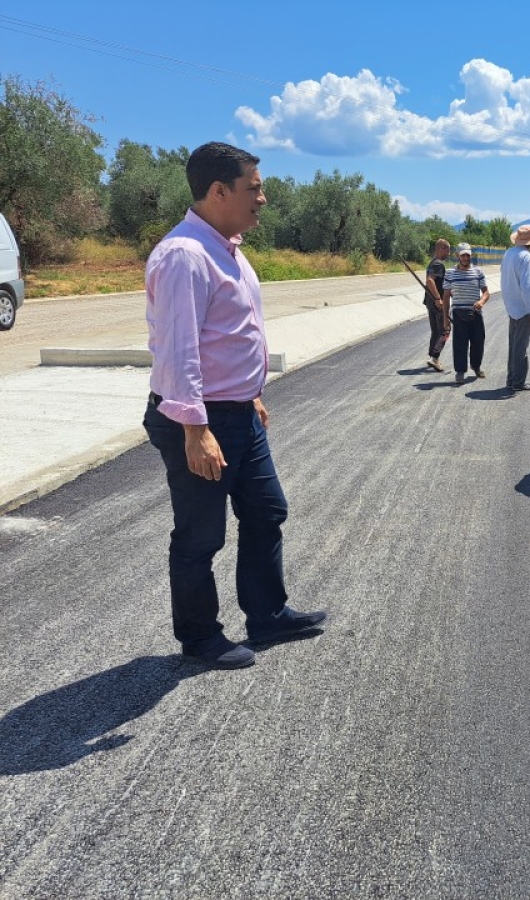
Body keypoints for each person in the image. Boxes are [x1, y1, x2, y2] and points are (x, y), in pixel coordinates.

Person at [142, 141, 326, 670]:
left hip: (239, 411)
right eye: (255, 187)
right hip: (199, 418)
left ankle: (267, 615)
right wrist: (195, 428)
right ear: (219, 191)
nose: (263, 197)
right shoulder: (185, 255)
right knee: (201, 536)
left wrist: (253, 393)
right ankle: (200, 638)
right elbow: (179, 350)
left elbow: (233, 335)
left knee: (267, 509)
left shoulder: (229, 248)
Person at [501, 223, 530, 392]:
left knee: (513, 344)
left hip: (512, 305)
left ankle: (511, 378)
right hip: (523, 307)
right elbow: (527, 286)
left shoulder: (508, 253)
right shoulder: (525, 256)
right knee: (521, 346)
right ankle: (518, 381)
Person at [442, 242, 489, 384]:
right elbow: (445, 296)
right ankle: (460, 371)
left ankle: (476, 366)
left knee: (478, 342)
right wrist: (445, 317)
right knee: (460, 344)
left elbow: (486, 292)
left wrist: (481, 302)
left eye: (467, 254)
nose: (465, 257)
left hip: (475, 312)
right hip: (458, 312)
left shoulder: (478, 272)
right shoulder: (450, 273)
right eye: (462, 255)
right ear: (457, 255)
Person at [424, 238, 452, 372]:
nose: (449, 253)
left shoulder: (432, 262)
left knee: (436, 331)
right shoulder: (438, 264)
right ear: (442, 248)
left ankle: (432, 356)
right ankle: (435, 358)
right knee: (446, 330)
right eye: (448, 250)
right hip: (437, 302)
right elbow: (430, 281)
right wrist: (438, 298)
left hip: (430, 302)